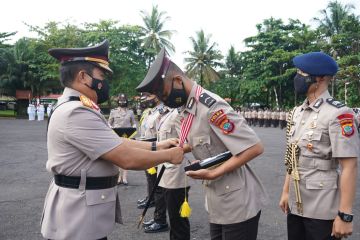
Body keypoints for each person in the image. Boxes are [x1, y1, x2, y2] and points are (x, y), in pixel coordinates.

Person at [41, 40, 184, 240]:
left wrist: (156, 145)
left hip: (81, 210)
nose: (105, 83)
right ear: (83, 77)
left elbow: (116, 141)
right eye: (101, 76)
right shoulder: (76, 112)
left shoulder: (78, 106)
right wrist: (169, 155)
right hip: (77, 217)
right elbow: (126, 158)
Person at [136, 48, 268, 240]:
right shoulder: (188, 109)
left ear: (178, 81)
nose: (164, 100)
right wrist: (178, 146)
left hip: (237, 199)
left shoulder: (211, 107)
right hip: (218, 197)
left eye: (164, 94)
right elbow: (203, 142)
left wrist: (213, 173)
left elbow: (254, 147)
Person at [279, 52, 359, 240]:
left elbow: (349, 166)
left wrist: (345, 214)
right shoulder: (297, 112)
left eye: (302, 73)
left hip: (322, 207)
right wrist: (285, 191)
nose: (297, 77)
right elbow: (293, 157)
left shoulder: (338, 114)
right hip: (296, 203)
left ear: (321, 78)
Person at [108, 93, 136, 185]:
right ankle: (119, 176)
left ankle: (124, 177)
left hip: (127, 137)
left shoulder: (130, 112)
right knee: (117, 157)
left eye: (124, 101)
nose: (122, 102)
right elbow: (109, 123)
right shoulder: (113, 112)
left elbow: (133, 123)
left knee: (126, 156)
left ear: (126, 101)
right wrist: (111, 129)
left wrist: (134, 128)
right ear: (118, 102)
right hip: (116, 136)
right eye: (120, 101)